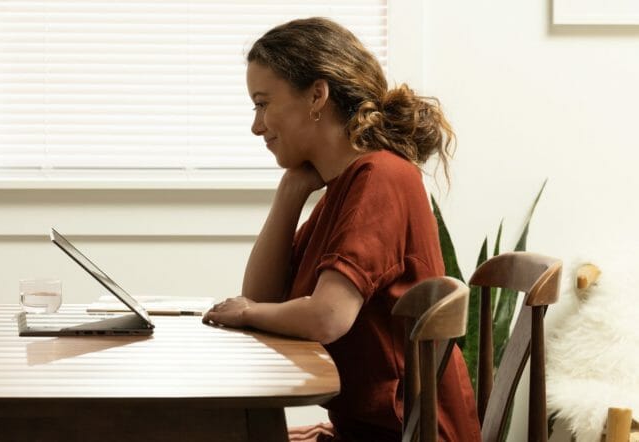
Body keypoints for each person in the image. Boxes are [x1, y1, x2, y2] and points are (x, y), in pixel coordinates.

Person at [202, 17, 480, 441]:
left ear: (317, 95)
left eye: (262, 103)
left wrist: (245, 313)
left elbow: (327, 317)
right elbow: (264, 296)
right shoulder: (347, 184)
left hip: (409, 434)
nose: (256, 126)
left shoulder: (379, 177)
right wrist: (290, 193)